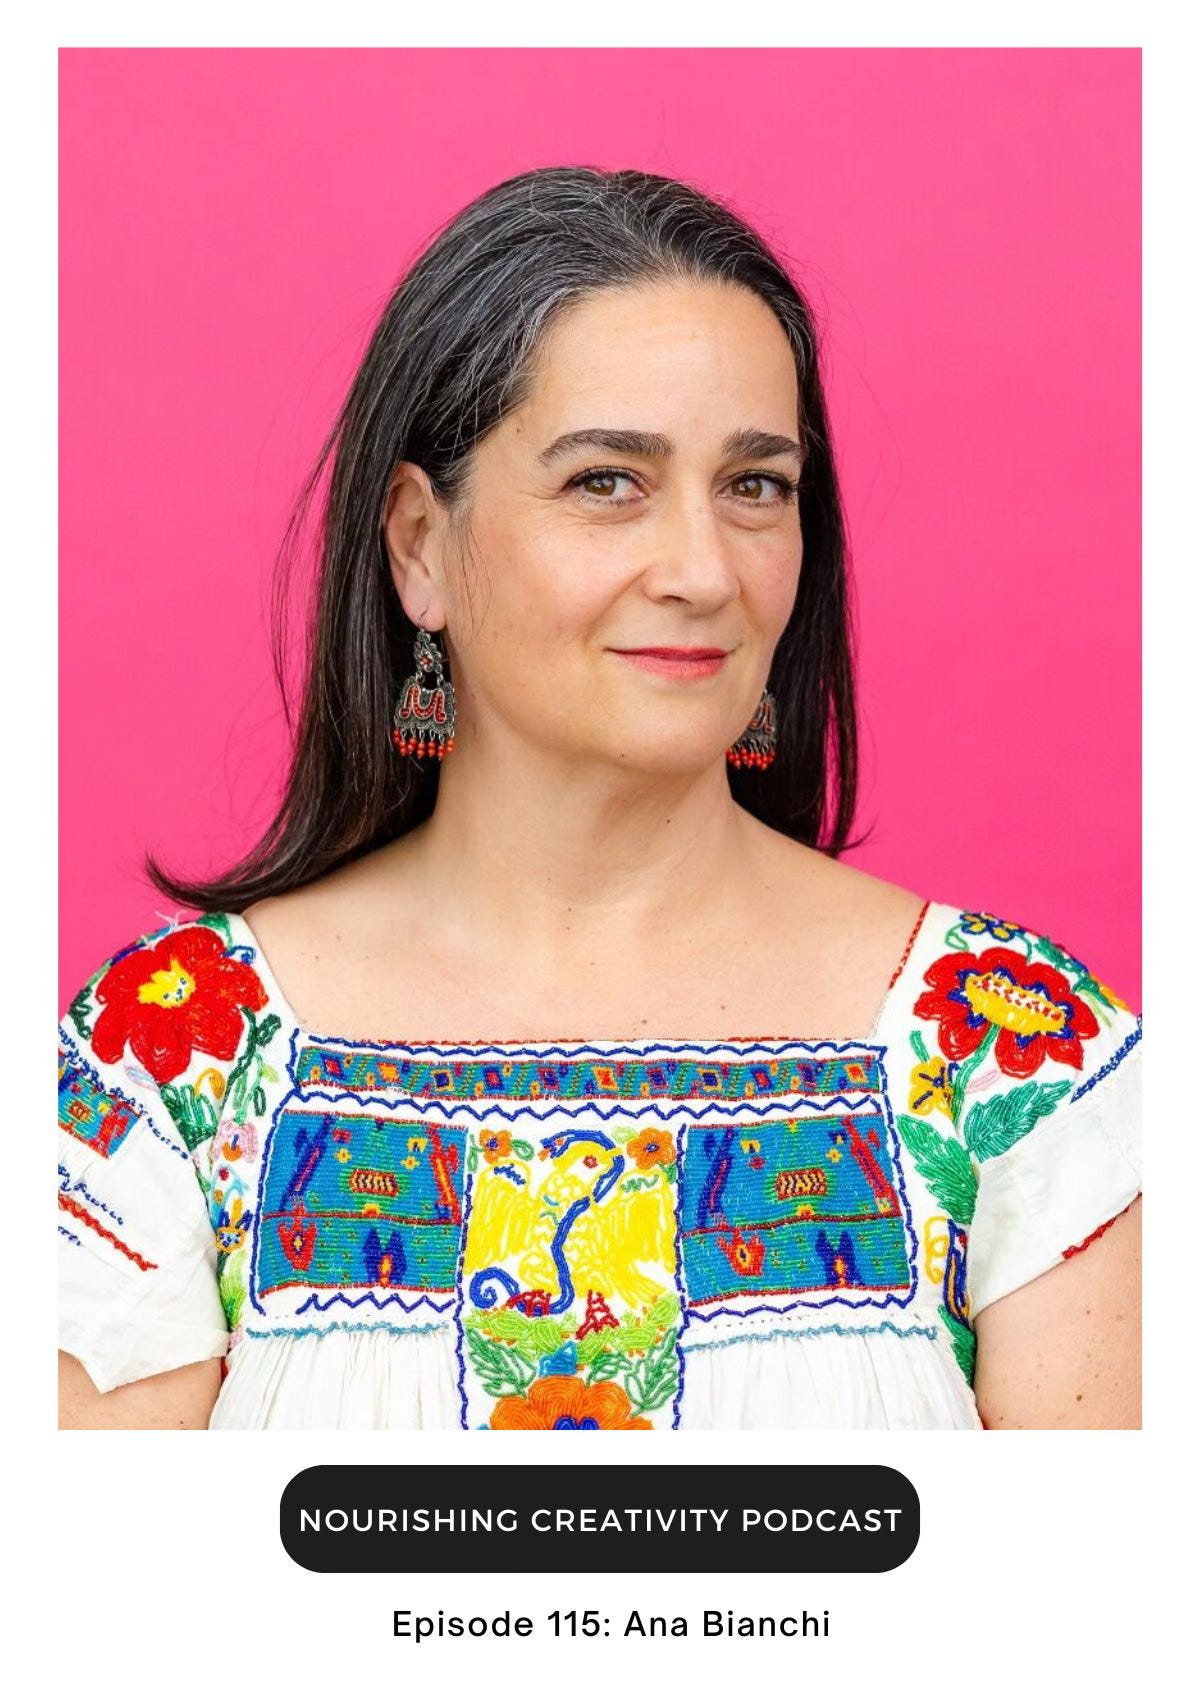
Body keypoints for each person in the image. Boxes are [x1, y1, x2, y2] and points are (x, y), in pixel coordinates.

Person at [58, 166, 1141, 1431]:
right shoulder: (169, 1063)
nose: (703, 569)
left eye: (756, 485)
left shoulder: (1015, 1058)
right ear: (418, 543)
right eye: (607, 482)